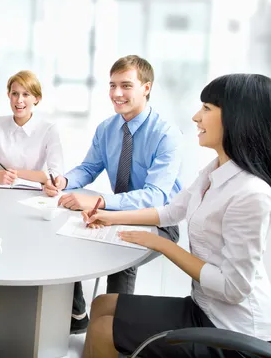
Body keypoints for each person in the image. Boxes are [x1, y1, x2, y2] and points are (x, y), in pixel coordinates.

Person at [81, 73, 271, 358]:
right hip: (204, 305)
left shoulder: (251, 193)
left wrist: (163, 245)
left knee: (103, 329)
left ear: (236, 118)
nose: (196, 117)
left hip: (231, 328)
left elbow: (233, 289)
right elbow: (171, 211)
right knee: (101, 305)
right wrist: (109, 216)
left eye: (207, 108)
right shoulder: (213, 170)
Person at [44, 55, 183, 333]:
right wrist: (64, 180)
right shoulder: (107, 128)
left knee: (121, 251)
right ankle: (78, 313)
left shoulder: (166, 134)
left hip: (158, 221)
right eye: (112, 85)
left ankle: (118, 335)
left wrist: (100, 201)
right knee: (61, 231)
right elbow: (89, 167)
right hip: (117, 214)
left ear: (146, 87)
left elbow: (155, 196)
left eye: (126, 86)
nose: (117, 94)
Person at [0, 70, 63, 184]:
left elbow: (56, 176)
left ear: (37, 98)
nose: (19, 100)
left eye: (26, 94)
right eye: (15, 93)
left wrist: (15, 174)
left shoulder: (49, 130)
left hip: (33, 194)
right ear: (8, 95)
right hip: (0, 191)